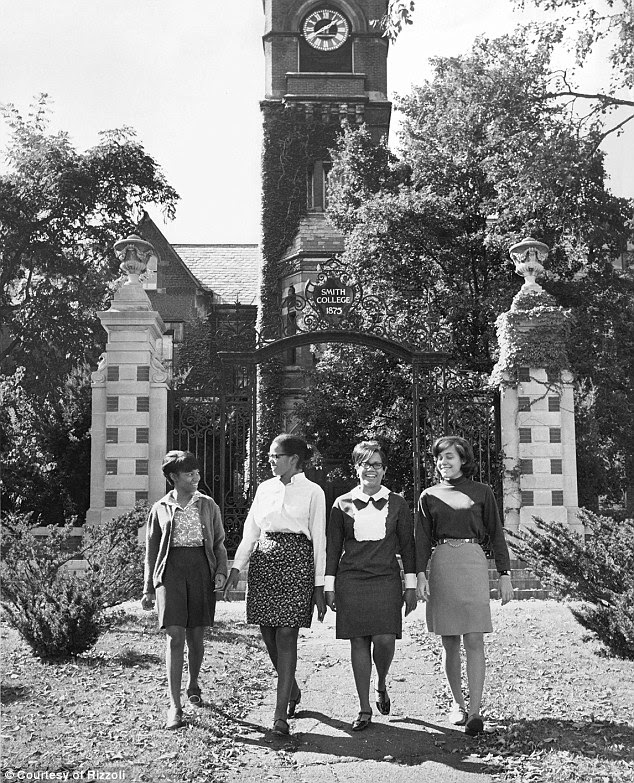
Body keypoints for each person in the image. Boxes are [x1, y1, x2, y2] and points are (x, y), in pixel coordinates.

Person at [223, 434, 326, 736]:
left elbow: (319, 540)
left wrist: (319, 585)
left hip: (297, 563)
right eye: (269, 455)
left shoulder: (313, 492)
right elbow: (251, 529)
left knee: (286, 633)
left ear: (293, 459)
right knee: (268, 634)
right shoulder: (264, 489)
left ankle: (279, 716)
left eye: (275, 455)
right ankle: (291, 688)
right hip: (264, 565)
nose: (270, 460)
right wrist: (237, 567)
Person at [416, 435, 514, 736]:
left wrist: (505, 573)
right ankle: (457, 704)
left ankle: (475, 711)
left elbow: (496, 532)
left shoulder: (482, 492)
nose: (444, 462)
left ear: (463, 459)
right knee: (449, 640)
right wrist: (419, 574)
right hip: (443, 562)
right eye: (439, 457)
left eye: (450, 456)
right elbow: (421, 539)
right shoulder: (428, 496)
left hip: (472, 562)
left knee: (474, 638)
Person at [325, 440, 417, 731]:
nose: (371, 469)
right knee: (358, 642)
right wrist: (329, 585)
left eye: (376, 464)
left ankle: (381, 682)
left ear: (384, 469)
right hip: (351, 579)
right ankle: (364, 707)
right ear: (356, 468)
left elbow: (409, 546)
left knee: (385, 639)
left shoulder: (398, 503)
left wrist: (411, 585)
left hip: (386, 579)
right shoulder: (341, 504)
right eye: (365, 463)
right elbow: (332, 547)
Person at [142, 450, 228, 730]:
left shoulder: (208, 504)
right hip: (171, 572)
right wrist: (149, 588)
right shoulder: (161, 508)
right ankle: (175, 706)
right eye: (189, 473)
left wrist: (220, 571)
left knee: (196, 636)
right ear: (173, 477)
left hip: (201, 570)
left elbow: (218, 543)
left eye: (196, 472)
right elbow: (152, 549)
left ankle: (193, 682)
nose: (195, 477)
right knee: (174, 635)